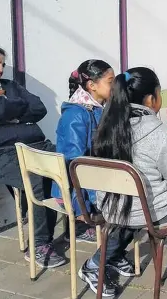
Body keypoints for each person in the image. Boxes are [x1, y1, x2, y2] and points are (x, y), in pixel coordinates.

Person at [79, 67, 167, 296]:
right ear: (151, 98)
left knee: (141, 211)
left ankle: (95, 264)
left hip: (112, 207)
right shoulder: (156, 131)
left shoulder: (105, 126)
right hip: (146, 211)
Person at [0, 43, 65, 267]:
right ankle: (40, 244)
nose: (0, 69)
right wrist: (12, 109)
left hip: (34, 145)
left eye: (2, 64)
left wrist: (5, 108)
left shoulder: (9, 86)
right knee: (38, 178)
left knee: (71, 162)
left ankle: (78, 224)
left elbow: (39, 108)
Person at [51, 60, 115, 244]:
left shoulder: (99, 107)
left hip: (94, 179)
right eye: (111, 81)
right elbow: (74, 163)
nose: (115, 86)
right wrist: (93, 200)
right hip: (77, 191)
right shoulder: (76, 114)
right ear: (92, 86)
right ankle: (107, 251)